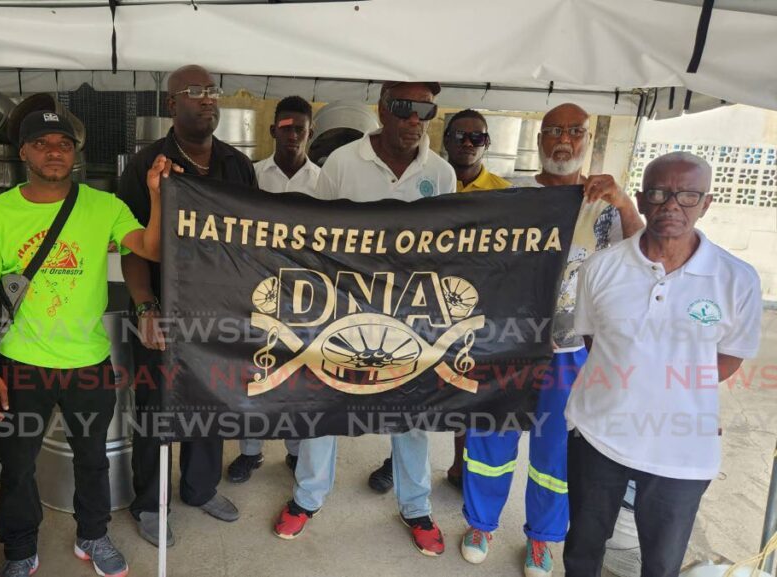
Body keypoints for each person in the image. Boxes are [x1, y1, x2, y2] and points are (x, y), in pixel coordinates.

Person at [0, 110, 172, 577]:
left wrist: (157, 197)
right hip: (20, 364)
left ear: (75, 153)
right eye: (41, 143)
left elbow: (151, 248)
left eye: (63, 142)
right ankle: (18, 548)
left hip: (89, 363)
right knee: (16, 466)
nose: (53, 151)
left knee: (93, 459)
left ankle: (92, 535)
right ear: (23, 153)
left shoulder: (105, 206)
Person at [458, 103, 644, 576]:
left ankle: (542, 540)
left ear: (588, 138)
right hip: (506, 343)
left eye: (575, 131)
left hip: (569, 348)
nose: (565, 139)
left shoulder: (605, 202)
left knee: (554, 449)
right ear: (539, 139)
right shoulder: (510, 195)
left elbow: (644, 252)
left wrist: (624, 203)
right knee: (490, 438)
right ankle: (480, 523)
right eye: (555, 130)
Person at [273, 81, 453, 558]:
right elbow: (317, 236)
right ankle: (307, 498)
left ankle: (415, 506)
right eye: (403, 108)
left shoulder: (441, 172)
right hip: (342, 307)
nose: (414, 119)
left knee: (412, 412)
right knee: (322, 401)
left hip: (410, 314)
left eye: (424, 110)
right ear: (382, 109)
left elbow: (450, 249)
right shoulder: (342, 162)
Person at [564, 152, 762, 577]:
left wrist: (671, 390)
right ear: (642, 197)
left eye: (688, 195)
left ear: (706, 203)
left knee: (661, 561)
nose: (672, 205)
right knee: (582, 547)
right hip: (600, 433)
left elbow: (729, 357)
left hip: (682, 447)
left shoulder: (737, 279)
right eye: (659, 193)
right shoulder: (601, 267)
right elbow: (593, 338)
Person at [118, 64, 255, 547]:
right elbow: (130, 246)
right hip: (163, 311)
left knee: (212, 404)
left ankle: (200, 489)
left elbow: (252, 243)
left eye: (212, 91)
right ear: (171, 105)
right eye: (194, 93)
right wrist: (145, 307)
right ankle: (149, 503)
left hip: (219, 313)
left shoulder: (237, 166)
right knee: (155, 410)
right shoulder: (146, 165)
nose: (208, 100)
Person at [226, 94, 321, 483]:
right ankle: (250, 451)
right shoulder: (252, 175)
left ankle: (296, 452)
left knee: (300, 375)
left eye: (300, 128)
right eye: (285, 127)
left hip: (307, 295)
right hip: (258, 288)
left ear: (310, 132)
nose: (293, 134)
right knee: (255, 370)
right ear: (271, 130)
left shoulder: (323, 181)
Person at [440, 108, 512, 489]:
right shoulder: (431, 182)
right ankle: (396, 461)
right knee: (413, 388)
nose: (467, 144)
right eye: (459, 136)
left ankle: (460, 464)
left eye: (477, 138)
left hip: (479, 305)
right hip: (428, 300)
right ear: (445, 140)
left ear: (488, 144)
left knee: (467, 387)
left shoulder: (505, 192)